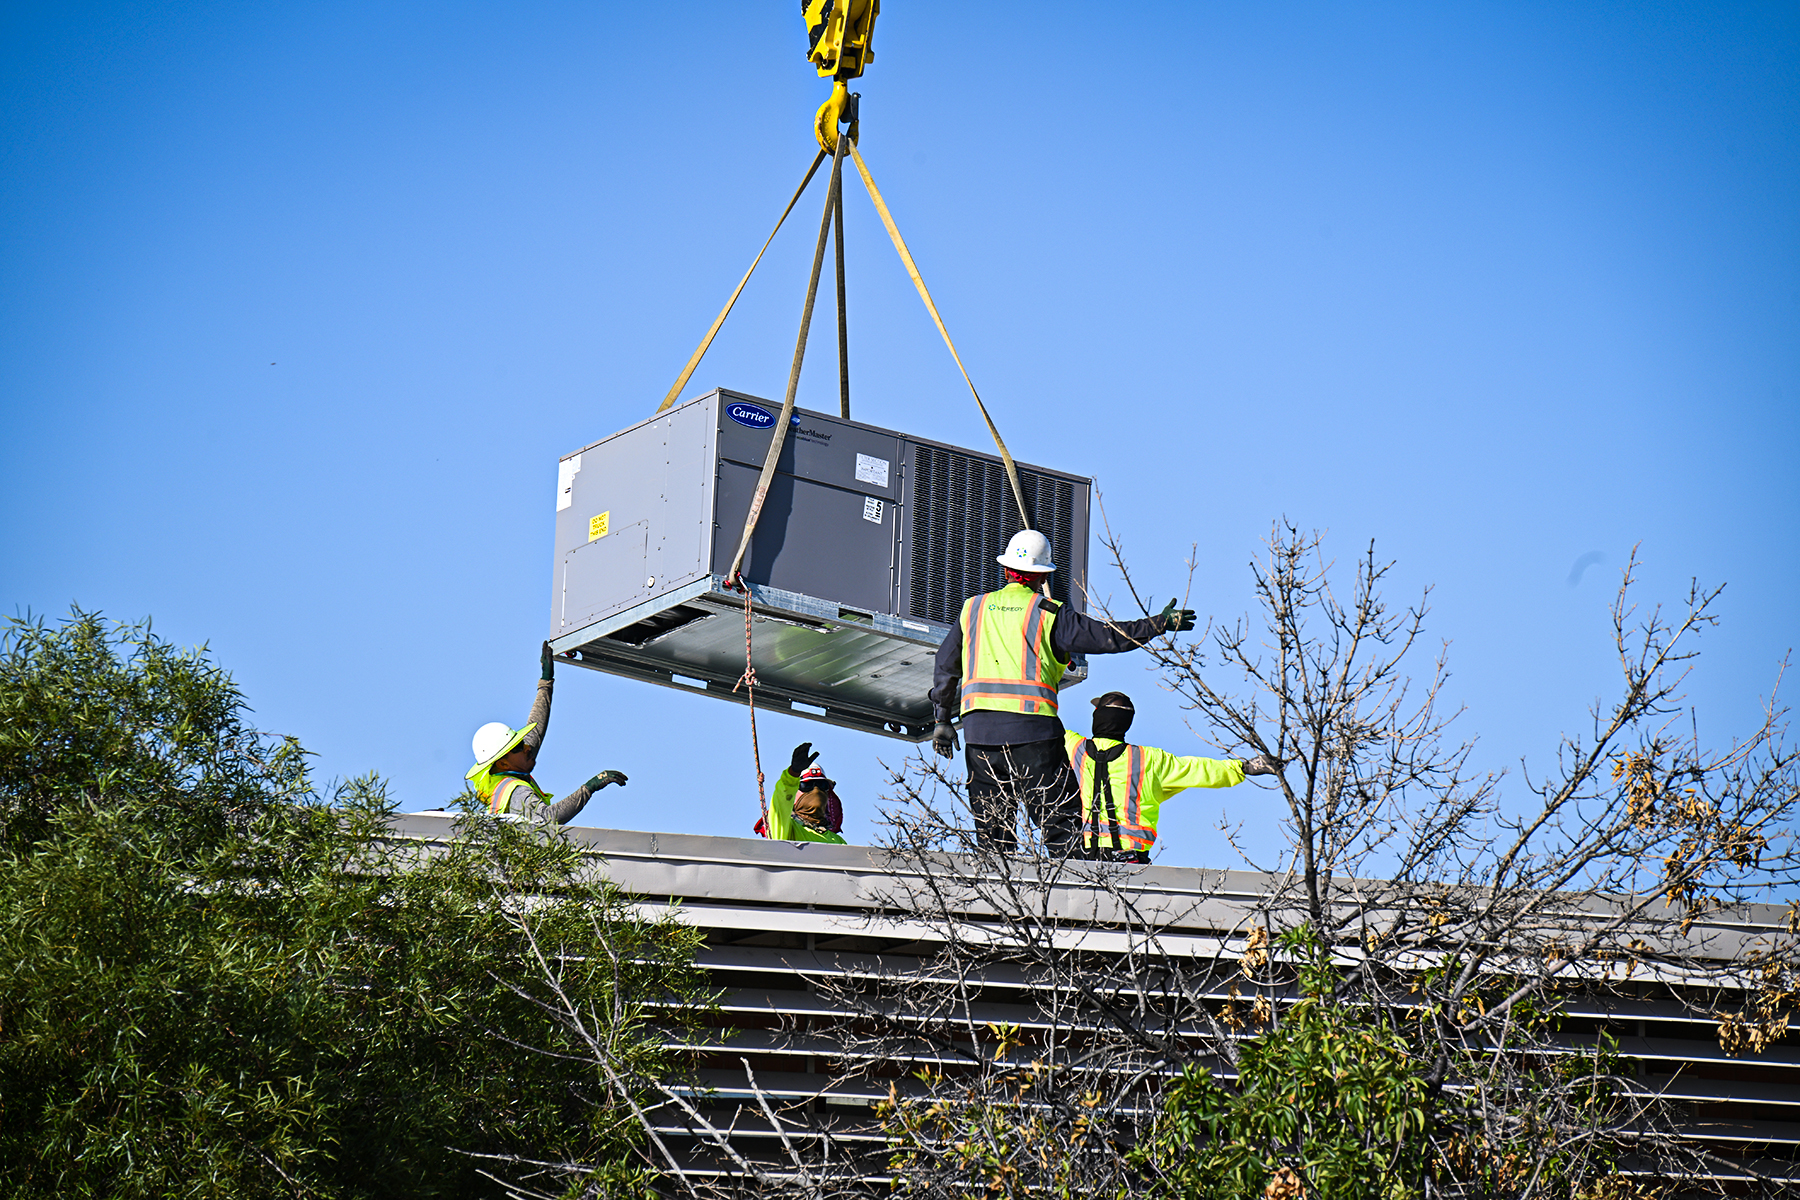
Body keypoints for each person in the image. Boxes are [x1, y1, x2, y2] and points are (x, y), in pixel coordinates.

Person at [929, 528, 1197, 854]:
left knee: (993, 839)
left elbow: (945, 666)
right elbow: (1108, 637)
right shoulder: (1050, 614)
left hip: (980, 736)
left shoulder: (973, 609)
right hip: (1034, 736)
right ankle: (1072, 899)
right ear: (1043, 575)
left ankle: (999, 899)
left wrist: (942, 720)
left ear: (1005, 570)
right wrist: (1157, 624)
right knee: (1063, 828)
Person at [1066, 691, 1280, 863]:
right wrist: (1244, 767)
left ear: (1097, 716)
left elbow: (1040, 724)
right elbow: (1197, 769)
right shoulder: (1149, 759)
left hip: (1081, 858)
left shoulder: (1074, 748)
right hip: (1129, 860)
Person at [465, 641, 628, 824]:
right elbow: (547, 818)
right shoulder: (516, 791)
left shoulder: (507, 773)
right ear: (502, 763)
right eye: (519, 747)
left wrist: (545, 682)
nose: (527, 747)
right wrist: (589, 787)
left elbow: (536, 726)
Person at [755, 741, 848, 844]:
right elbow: (782, 800)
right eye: (807, 786)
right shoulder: (786, 828)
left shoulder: (838, 842)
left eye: (822, 785)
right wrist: (793, 773)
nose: (816, 790)